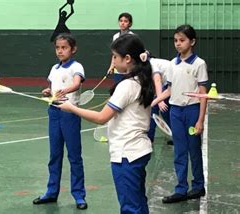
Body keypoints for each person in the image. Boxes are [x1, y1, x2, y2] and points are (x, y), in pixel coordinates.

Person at [57, 34, 154, 213]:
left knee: (130, 207)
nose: (113, 61)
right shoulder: (142, 80)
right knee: (139, 202)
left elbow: (102, 117)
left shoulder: (127, 86)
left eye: (115, 57)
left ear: (127, 59)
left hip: (127, 155)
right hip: (138, 151)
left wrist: (71, 108)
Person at [152, 24, 208, 204]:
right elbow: (169, 90)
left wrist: (200, 120)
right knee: (179, 152)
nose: (178, 44)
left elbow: (202, 94)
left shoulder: (199, 64)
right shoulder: (172, 64)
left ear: (192, 42)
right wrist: (153, 102)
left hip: (191, 112)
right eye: (176, 40)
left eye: (182, 40)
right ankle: (181, 189)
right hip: (175, 112)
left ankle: (198, 186)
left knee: (194, 150)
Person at [32, 33, 87, 210]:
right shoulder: (54, 69)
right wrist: (48, 91)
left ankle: (79, 195)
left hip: (70, 114)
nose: (60, 51)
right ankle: (51, 192)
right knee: (54, 155)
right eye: (58, 47)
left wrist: (64, 90)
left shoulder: (77, 66)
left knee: (74, 156)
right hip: (54, 112)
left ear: (73, 49)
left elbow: (77, 83)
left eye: (64, 47)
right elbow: (51, 87)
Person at [143, 54, 173, 145]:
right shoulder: (149, 64)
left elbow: (157, 81)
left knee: (156, 108)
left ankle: (149, 138)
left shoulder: (152, 63)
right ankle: (177, 136)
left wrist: (159, 100)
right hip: (170, 84)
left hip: (173, 84)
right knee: (164, 110)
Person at [109, 12, 135, 84]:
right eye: (121, 21)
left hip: (129, 69)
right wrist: (111, 66)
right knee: (117, 88)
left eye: (125, 21)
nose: (122, 23)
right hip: (118, 69)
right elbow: (114, 54)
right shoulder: (115, 36)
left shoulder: (132, 37)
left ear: (130, 24)